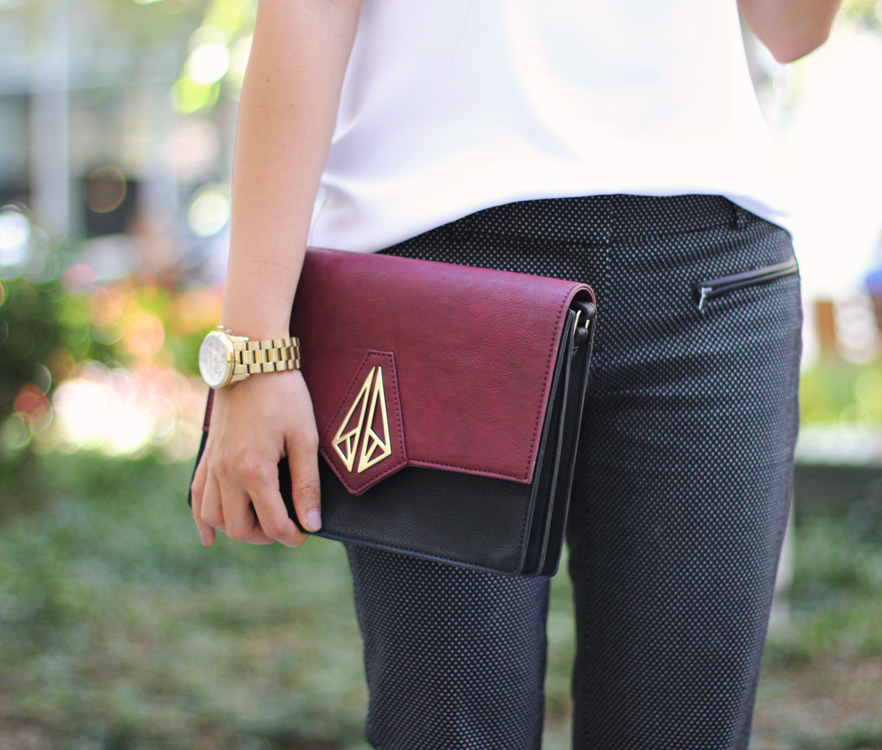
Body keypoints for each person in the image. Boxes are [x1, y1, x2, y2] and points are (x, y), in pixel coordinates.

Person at [189, 2, 842, 748]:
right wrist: (252, 347)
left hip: (711, 281)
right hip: (439, 292)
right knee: (448, 730)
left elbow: (795, 30)